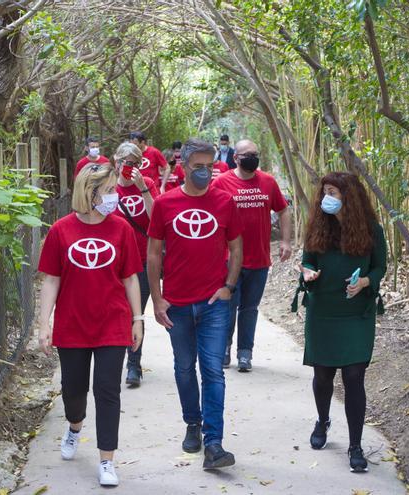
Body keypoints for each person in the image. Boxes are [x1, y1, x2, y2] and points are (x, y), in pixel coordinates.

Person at [37, 164, 145, 487]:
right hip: (72, 324)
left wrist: (137, 318)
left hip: (112, 322)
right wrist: (44, 324)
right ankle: (74, 427)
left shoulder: (122, 229)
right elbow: (51, 281)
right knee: (74, 391)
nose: (115, 197)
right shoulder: (60, 230)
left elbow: (130, 278)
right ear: (91, 192)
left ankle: (107, 460)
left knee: (108, 390)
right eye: (109, 191)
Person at [147, 138, 243, 469]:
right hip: (176, 303)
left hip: (214, 301)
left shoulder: (225, 201)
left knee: (213, 370)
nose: (204, 172)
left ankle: (214, 444)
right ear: (183, 167)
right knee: (185, 368)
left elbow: (237, 247)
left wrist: (229, 286)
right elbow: (154, 253)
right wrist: (157, 299)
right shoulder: (165, 204)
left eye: (209, 166)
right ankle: (193, 423)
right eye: (197, 166)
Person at [292, 171, 387, 473]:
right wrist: (308, 274)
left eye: (332, 192)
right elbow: (307, 262)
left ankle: (355, 445)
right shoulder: (318, 227)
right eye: (325, 193)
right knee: (323, 377)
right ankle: (322, 421)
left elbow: (380, 266)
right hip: (323, 312)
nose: (326, 198)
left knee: (354, 377)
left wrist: (366, 283)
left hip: (355, 314)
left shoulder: (371, 230)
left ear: (350, 196)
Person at [213, 140, 291, 371]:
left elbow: (283, 209)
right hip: (229, 260)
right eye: (247, 154)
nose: (252, 158)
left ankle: (245, 352)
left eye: (255, 154)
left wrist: (286, 241)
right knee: (227, 306)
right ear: (235, 157)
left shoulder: (267, 181)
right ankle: (224, 349)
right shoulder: (221, 182)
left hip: (259, 258)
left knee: (249, 308)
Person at [111, 142, 159, 387]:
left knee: (135, 312)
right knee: (115, 312)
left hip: (142, 260)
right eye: (125, 162)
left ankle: (133, 364)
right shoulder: (107, 187)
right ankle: (112, 358)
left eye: (134, 164)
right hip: (113, 263)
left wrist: (143, 190)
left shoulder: (148, 185)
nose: (128, 168)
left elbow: (157, 220)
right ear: (116, 162)